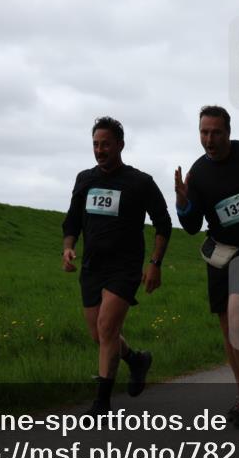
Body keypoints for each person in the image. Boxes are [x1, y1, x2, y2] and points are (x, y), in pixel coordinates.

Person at [62, 116, 172, 415]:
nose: (100, 150)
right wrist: (69, 247)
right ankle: (136, 360)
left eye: (106, 144)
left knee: (106, 327)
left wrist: (155, 264)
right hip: (92, 267)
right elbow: (72, 219)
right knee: (100, 336)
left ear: (120, 145)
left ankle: (102, 402)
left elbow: (163, 224)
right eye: (96, 144)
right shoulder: (85, 179)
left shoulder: (140, 182)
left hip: (124, 268)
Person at [175, 106, 239, 428]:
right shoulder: (199, 173)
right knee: (228, 327)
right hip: (221, 253)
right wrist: (182, 203)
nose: (209, 139)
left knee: (238, 312)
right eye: (204, 132)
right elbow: (191, 225)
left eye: (216, 132)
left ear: (228, 132)